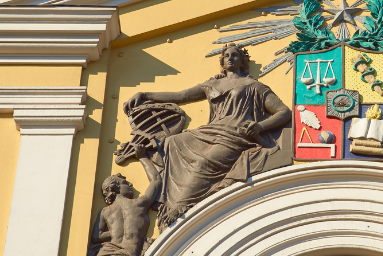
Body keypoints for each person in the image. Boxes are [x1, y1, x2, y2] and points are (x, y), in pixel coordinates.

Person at [123, 44, 292, 227]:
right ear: (222, 61)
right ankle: (166, 196)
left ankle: (180, 208)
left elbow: (284, 112)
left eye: (235, 55)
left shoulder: (255, 87)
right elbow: (181, 95)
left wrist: (260, 126)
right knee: (170, 143)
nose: (230, 58)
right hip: (210, 131)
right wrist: (146, 94)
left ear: (242, 61)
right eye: (226, 55)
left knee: (204, 163)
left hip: (234, 135)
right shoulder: (212, 84)